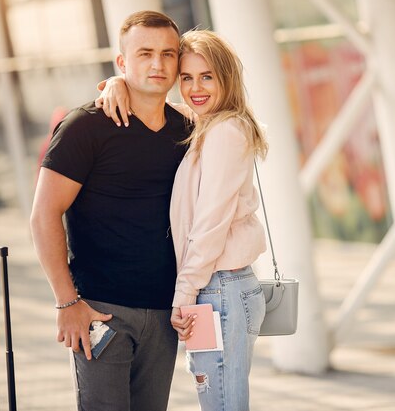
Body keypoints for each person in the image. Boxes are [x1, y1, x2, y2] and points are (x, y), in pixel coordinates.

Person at [30, 10, 192, 411]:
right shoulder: (85, 126)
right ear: (122, 62)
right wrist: (67, 303)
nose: (157, 64)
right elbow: (44, 215)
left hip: (164, 311)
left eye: (168, 54)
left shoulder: (188, 130)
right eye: (144, 53)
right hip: (101, 311)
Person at [98, 29, 269, 411]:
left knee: (221, 403)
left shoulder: (225, 132)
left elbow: (209, 225)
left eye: (207, 76)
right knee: (221, 398)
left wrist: (184, 294)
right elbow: (161, 107)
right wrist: (118, 84)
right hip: (219, 289)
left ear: (226, 78)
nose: (195, 87)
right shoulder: (209, 125)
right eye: (187, 77)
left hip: (217, 290)